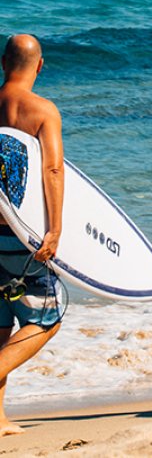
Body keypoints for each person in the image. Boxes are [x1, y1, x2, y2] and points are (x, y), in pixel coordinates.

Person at [0, 34, 64, 436]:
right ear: (39, 66)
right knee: (47, 317)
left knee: (0, 324)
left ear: (3, 62)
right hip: (17, 239)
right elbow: (52, 171)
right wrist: (54, 230)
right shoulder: (42, 110)